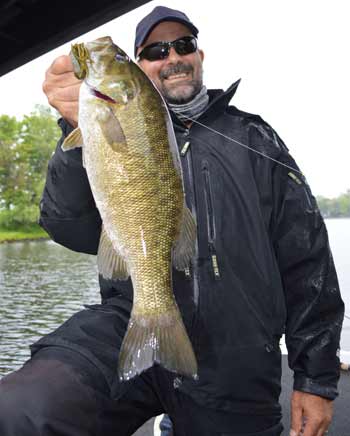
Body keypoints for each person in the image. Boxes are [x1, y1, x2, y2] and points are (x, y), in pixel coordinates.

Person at [0, 6, 344, 436]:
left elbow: (308, 261)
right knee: (21, 410)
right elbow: (67, 225)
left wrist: (315, 378)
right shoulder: (98, 126)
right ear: (141, 69)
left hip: (234, 353)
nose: (173, 57)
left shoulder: (257, 140)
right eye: (156, 50)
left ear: (201, 55)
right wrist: (74, 129)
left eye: (184, 45)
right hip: (126, 322)